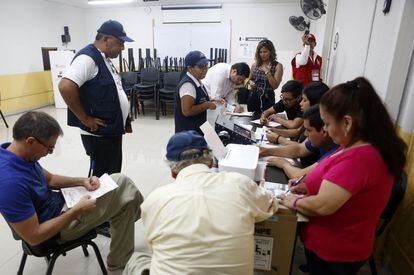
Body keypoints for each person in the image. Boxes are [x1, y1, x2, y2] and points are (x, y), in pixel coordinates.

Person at [278, 77, 406, 275]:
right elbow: (345, 188)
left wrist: (293, 201)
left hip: (336, 251)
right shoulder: (355, 145)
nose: (326, 130)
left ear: (347, 122)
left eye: (327, 124)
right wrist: (309, 187)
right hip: (331, 247)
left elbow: (323, 205)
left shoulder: (361, 158)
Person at [0, 111, 144, 271]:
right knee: (123, 188)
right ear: (31, 141)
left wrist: (82, 181)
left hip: (60, 207)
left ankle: (122, 254)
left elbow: (50, 179)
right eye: (49, 148)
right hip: (56, 230)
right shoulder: (10, 182)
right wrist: (76, 211)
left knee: (119, 186)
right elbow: (34, 236)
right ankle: (144, 217)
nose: (50, 152)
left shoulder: (16, 154)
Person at [123, 131, 277, 275]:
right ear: (210, 162)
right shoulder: (240, 184)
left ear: (173, 172)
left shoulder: (155, 200)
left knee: (137, 260)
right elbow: (270, 204)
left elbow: (155, 246)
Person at [59, 19, 133, 178]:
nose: (122, 48)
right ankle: (95, 203)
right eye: (120, 43)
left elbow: (111, 91)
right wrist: (85, 118)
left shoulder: (104, 58)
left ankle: (106, 202)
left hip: (110, 131)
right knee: (100, 178)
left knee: (111, 173)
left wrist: (124, 118)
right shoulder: (88, 58)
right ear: (107, 39)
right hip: (98, 135)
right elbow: (66, 86)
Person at [263, 105, 338, 179]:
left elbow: (299, 176)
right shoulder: (323, 140)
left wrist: (284, 164)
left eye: (309, 130)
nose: (305, 134)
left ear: (324, 130)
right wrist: (266, 151)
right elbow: (299, 149)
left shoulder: (337, 151)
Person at [174, 51, 216, 134]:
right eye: (201, 67)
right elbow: (187, 111)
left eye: (206, 66)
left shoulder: (197, 80)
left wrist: (213, 99)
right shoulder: (188, 85)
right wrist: (207, 105)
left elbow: (198, 98)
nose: (205, 70)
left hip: (198, 129)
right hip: (189, 134)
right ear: (190, 68)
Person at [248, 39, 283, 113]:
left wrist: (268, 72)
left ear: (271, 52)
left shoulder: (278, 66)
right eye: (260, 52)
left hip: (268, 98)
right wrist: (251, 83)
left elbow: (275, 86)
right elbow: (250, 79)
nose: (262, 54)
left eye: (265, 52)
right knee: (251, 121)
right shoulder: (255, 65)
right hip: (254, 97)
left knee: (267, 121)